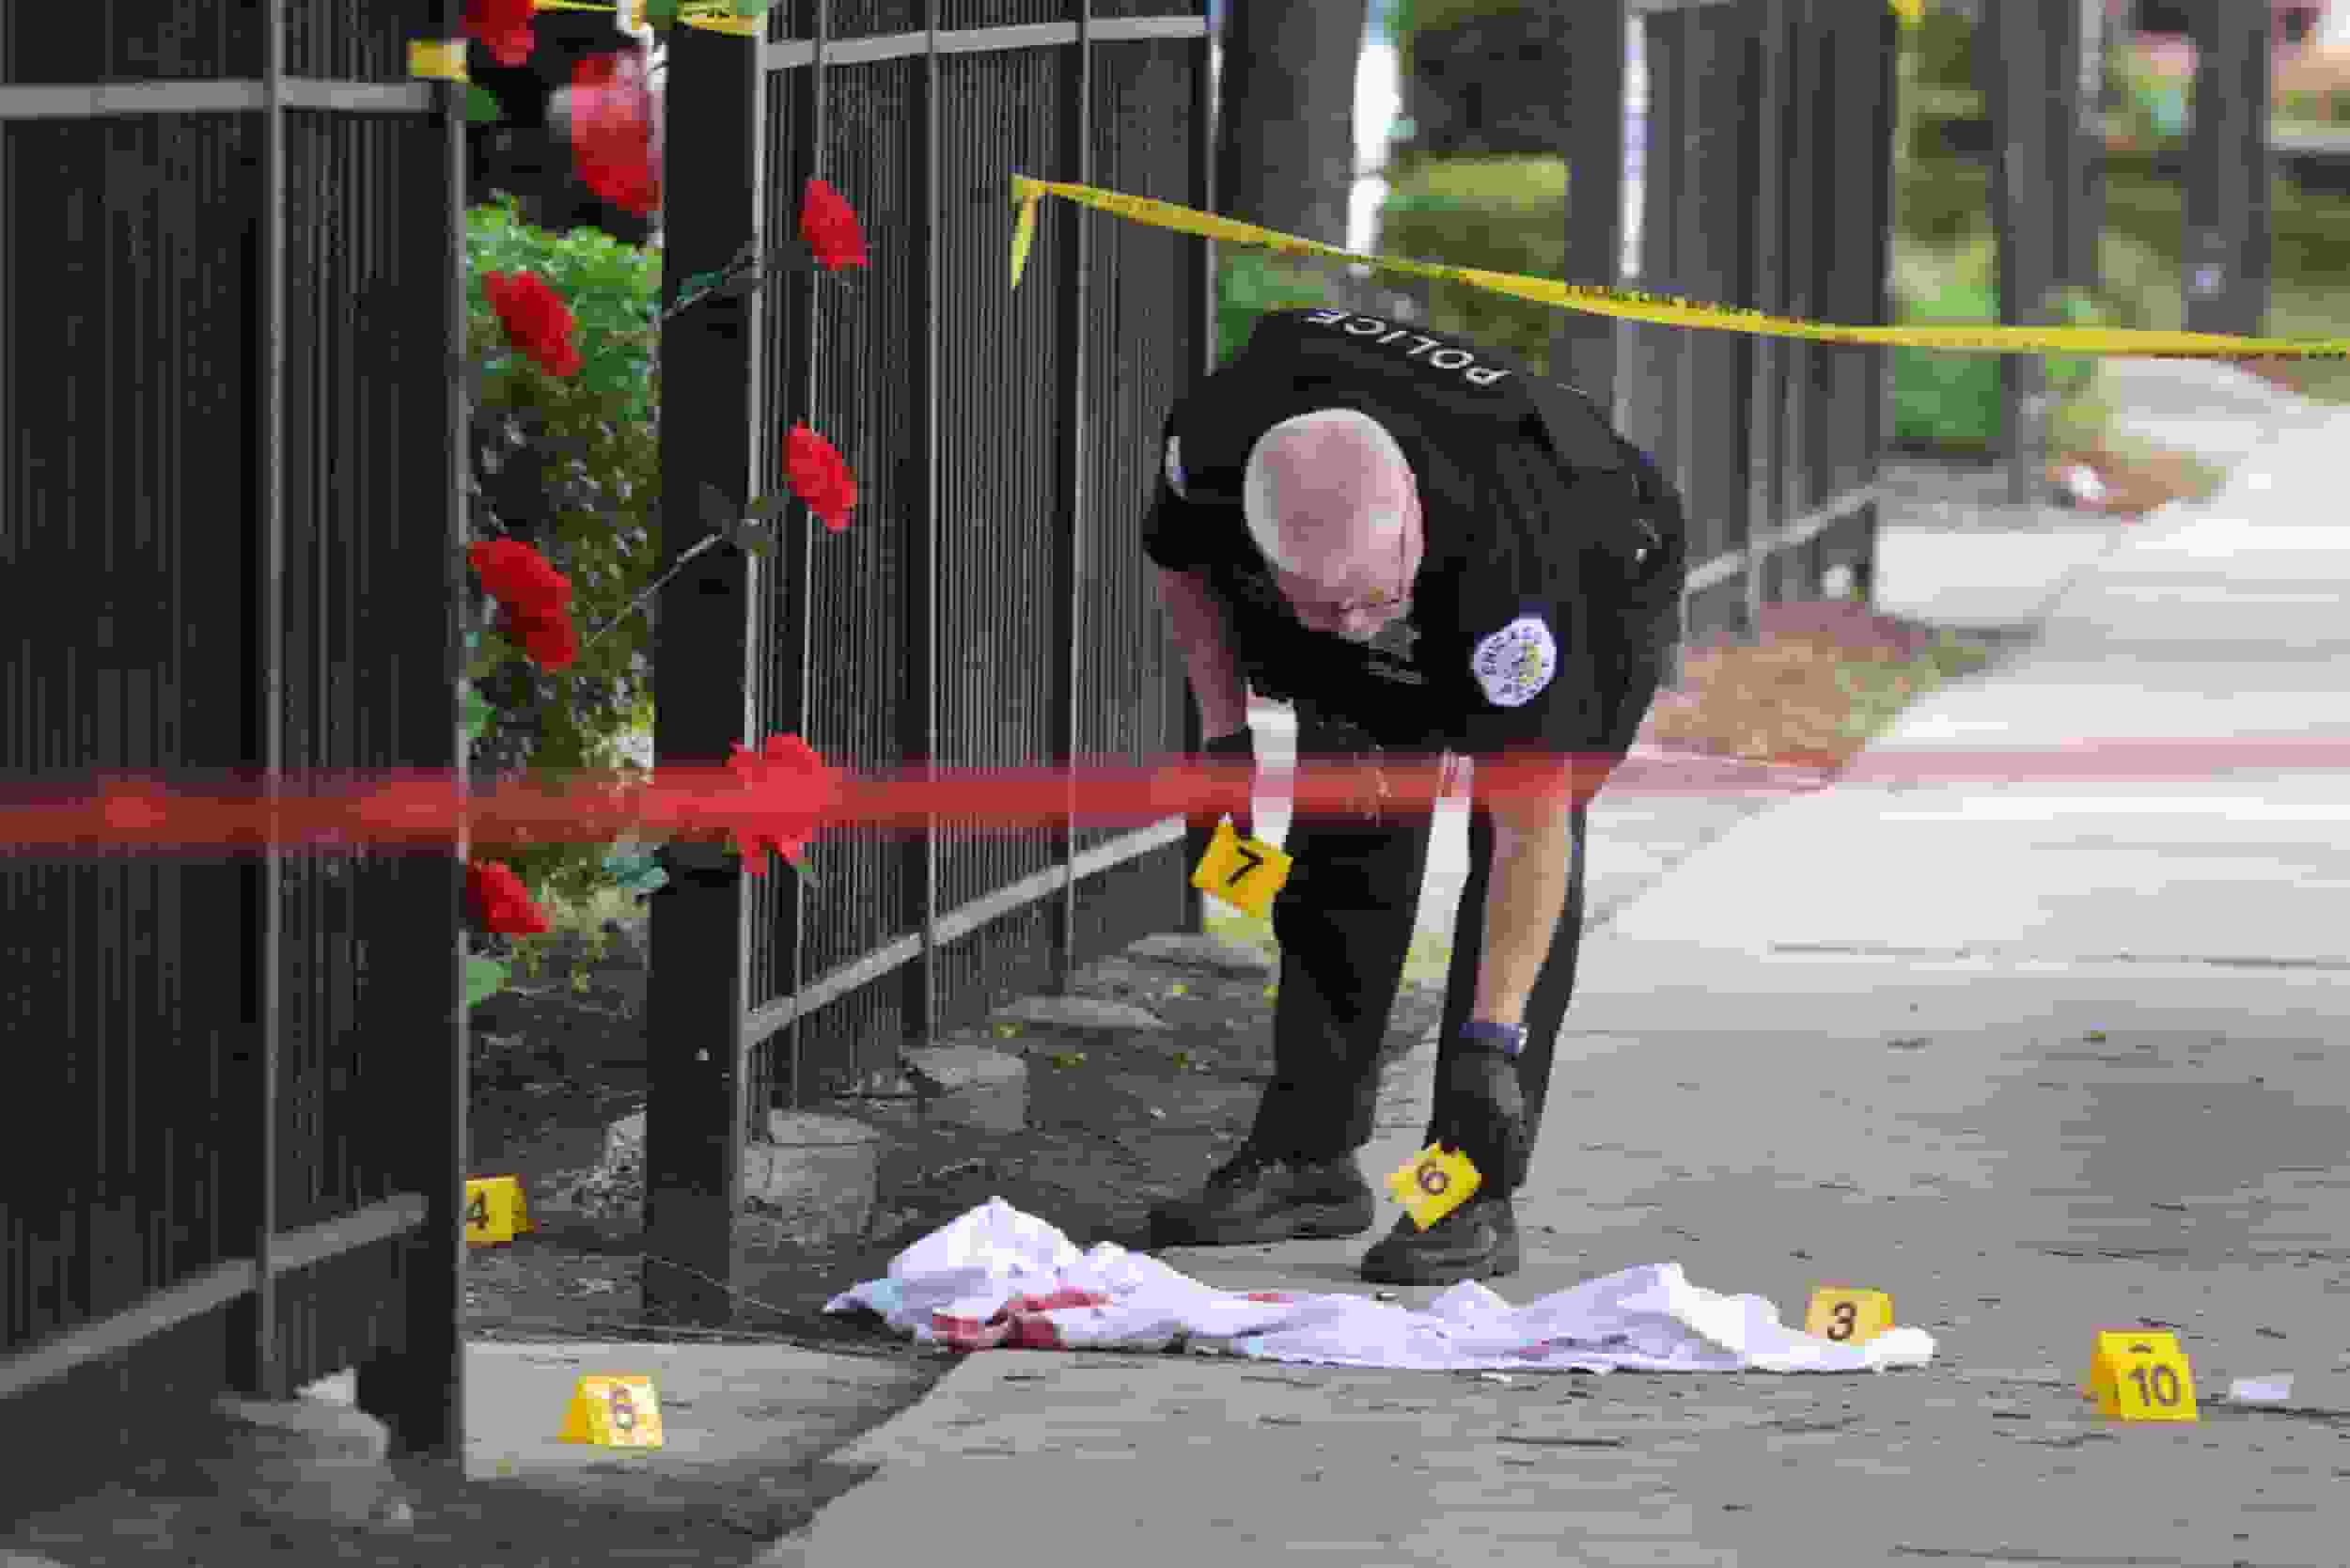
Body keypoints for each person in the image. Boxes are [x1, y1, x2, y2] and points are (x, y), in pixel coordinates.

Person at [1143, 305, 1687, 1287]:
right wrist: (1225, 749)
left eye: (1367, 605)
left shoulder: (1521, 559)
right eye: (1322, 609)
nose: (1351, 631)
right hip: (1399, 555)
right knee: (1346, 830)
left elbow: (1531, 833)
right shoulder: (1218, 440)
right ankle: (1308, 1155)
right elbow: (1181, 572)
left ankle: (1465, 1184)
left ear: (1414, 531)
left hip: (1606, 572)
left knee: (1518, 846)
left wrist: (1488, 1041)